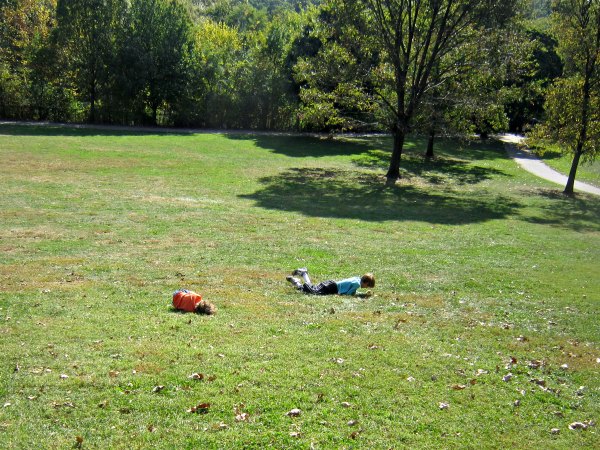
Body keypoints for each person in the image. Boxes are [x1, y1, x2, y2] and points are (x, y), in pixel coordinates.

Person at [286, 268, 375, 296]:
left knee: (310, 289)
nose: (366, 288)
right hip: (331, 288)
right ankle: (304, 274)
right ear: (366, 282)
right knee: (312, 291)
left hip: (331, 284)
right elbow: (349, 294)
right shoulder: (357, 284)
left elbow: (351, 290)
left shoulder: (356, 279)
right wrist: (362, 295)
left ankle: (295, 281)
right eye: (368, 286)